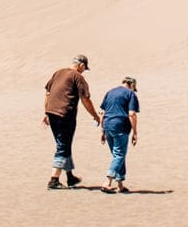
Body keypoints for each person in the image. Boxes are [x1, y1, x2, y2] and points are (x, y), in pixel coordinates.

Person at [43, 54, 101, 189]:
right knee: (62, 146)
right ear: (81, 65)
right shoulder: (78, 77)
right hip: (65, 115)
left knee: (64, 144)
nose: (83, 71)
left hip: (52, 113)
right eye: (84, 68)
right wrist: (95, 116)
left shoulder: (58, 73)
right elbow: (85, 99)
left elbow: (47, 93)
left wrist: (46, 112)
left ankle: (70, 177)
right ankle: (54, 180)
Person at [98, 74, 140, 193]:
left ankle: (120, 183)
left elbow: (101, 112)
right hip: (120, 126)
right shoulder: (130, 94)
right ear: (132, 85)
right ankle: (107, 182)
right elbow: (132, 114)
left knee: (117, 155)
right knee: (119, 154)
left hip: (107, 125)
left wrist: (102, 130)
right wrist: (135, 132)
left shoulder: (110, 92)